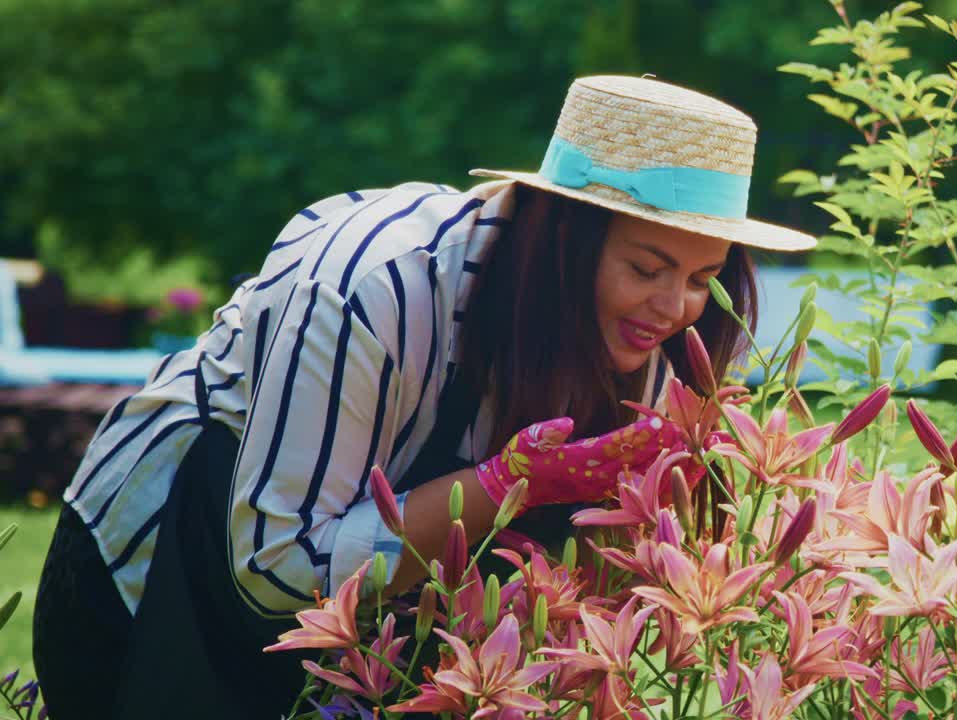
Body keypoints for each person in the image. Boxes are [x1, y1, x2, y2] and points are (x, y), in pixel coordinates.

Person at [31, 75, 815, 719]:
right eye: (648, 269)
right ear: (563, 236)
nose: (677, 307)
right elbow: (272, 571)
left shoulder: (633, 332)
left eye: (703, 278)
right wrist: (508, 487)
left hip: (369, 643)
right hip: (163, 584)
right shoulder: (375, 286)